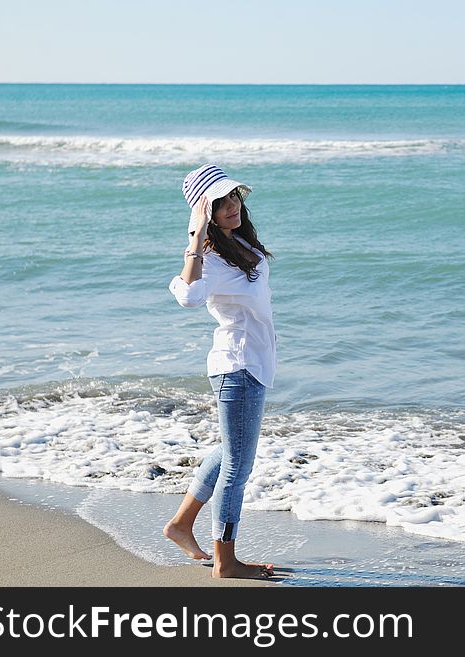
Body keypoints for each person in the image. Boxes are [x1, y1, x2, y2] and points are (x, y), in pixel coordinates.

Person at [163, 164, 278, 579]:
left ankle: (179, 525)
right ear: (204, 211)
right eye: (220, 202)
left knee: (231, 453)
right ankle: (226, 562)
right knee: (237, 467)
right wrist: (195, 236)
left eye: (234, 197)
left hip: (256, 363)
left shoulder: (240, 241)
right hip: (237, 365)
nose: (232, 206)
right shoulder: (209, 255)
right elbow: (188, 297)